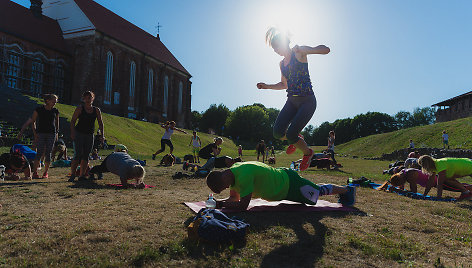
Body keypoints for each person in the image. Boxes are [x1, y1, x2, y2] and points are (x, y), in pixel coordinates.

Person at [257, 27, 330, 171]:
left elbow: (326, 49)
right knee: (277, 132)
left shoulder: (299, 53)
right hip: (291, 102)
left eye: (277, 46)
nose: (275, 50)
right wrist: (267, 86)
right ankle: (297, 139)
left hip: (307, 101)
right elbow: (284, 84)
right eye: (273, 48)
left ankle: (308, 153)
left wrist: (305, 49)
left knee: (290, 134)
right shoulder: (281, 64)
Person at [206, 161, 355, 211]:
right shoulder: (233, 173)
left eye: (223, 187)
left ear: (223, 177)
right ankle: (343, 189)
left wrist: (218, 204)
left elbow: (243, 205)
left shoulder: (243, 175)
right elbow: (233, 198)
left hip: (289, 185)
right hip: (284, 185)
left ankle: (348, 190)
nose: (226, 188)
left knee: (318, 192)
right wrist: (220, 202)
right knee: (316, 189)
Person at [18, 94, 59, 179]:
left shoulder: (55, 111)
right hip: (41, 133)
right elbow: (33, 121)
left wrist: (57, 134)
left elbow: (56, 123)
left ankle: (46, 172)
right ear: (47, 100)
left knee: (48, 153)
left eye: (56, 100)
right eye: (53, 100)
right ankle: (35, 172)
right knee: (39, 152)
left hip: (52, 133)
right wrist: (35, 133)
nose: (55, 102)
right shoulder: (39, 109)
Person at [69, 91, 105, 182]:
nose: (88, 100)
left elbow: (100, 123)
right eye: (86, 98)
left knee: (86, 155)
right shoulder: (80, 108)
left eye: (90, 98)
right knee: (77, 155)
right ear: (83, 99)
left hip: (89, 134)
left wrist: (102, 135)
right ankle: (73, 174)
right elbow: (73, 121)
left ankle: (82, 175)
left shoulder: (96, 110)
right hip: (79, 133)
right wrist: (73, 133)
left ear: (93, 99)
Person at [379, 168, 472, 200]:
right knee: (458, 185)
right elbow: (402, 188)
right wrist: (395, 188)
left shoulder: (410, 175)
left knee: (458, 188)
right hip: (436, 180)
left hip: (436, 181)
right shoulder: (403, 173)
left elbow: (413, 192)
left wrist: (395, 189)